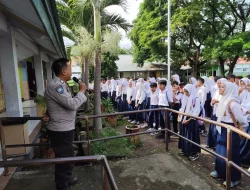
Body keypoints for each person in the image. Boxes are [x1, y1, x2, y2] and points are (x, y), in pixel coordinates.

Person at [45, 58, 87, 190]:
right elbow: (72, 104)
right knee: (63, 158)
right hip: (60, 130)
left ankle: (67, 177)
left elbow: (56, 104)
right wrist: (82, 91)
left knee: (68, 156)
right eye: (69, 68)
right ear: (63, 71)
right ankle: (62, 184)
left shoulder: (61, 84)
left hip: (66, 127)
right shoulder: (56, 86)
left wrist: (48, 112)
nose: (71, 71)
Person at [210, 81, 248, 188]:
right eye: (220, 87)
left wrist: (243, 125)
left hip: (231, 130)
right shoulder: (223, 99)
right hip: (222, 128)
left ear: (229, 89)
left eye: (223, 87)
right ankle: (221, 172)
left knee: (231, 154)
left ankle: (234, 178)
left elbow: (241, 119)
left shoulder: (233, 103)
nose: (220, 89)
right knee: (221, 151)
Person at [178, 84, 201, 161]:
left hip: (191, 120)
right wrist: (180, 115)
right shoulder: (185, 97)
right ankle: (186, 150)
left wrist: (189, 120)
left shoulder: (196, 99)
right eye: (184, 91)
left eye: (187, 91)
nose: (186, 93)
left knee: (191, 136)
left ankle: (194, 152)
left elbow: (196, 112)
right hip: (184, 118)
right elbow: (182, 107)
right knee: (184, 135)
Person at [206, 77, 225, 149]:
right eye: (218, 83)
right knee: (212, 129)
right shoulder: (216, 91)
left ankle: (217, 144)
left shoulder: (225, 92)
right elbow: (212, 101)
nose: (219, 85)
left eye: (221, 84)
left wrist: (217, 101)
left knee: (217, 130)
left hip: (221, 114)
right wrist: (213, 102)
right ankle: (212, 143)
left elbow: (226, 103)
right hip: (214, 112)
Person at [240, 79, 250, 174]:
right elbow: (242, 105)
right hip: (246, 119)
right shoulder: (246, 94)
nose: (248, 87)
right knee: (244, 140)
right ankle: (242, 158)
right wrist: (246, 110)